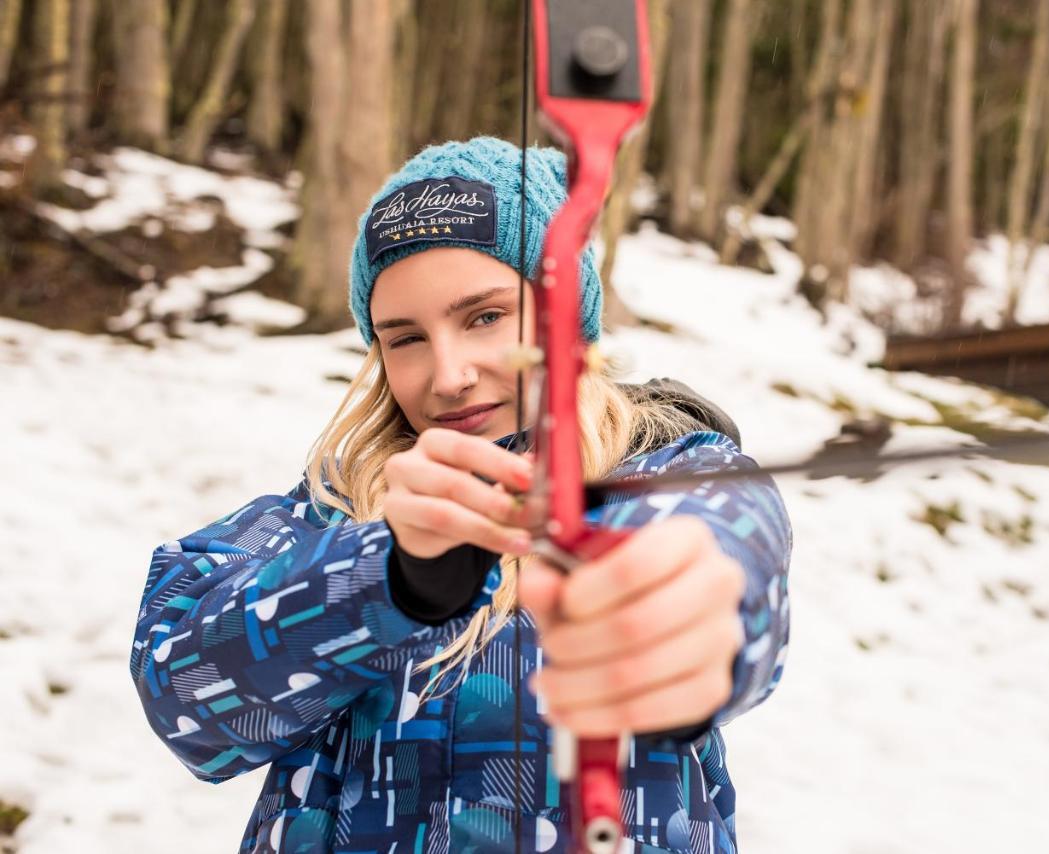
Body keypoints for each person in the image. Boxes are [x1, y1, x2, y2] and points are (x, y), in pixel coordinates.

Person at [130, 136, 792, 853]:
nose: (448, 376)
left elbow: (727, 558)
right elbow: (184, 692)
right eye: (405, 338)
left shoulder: (673, 475)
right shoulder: (324, 515)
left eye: (484, 317)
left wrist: (681, 614)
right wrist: (388, 576)